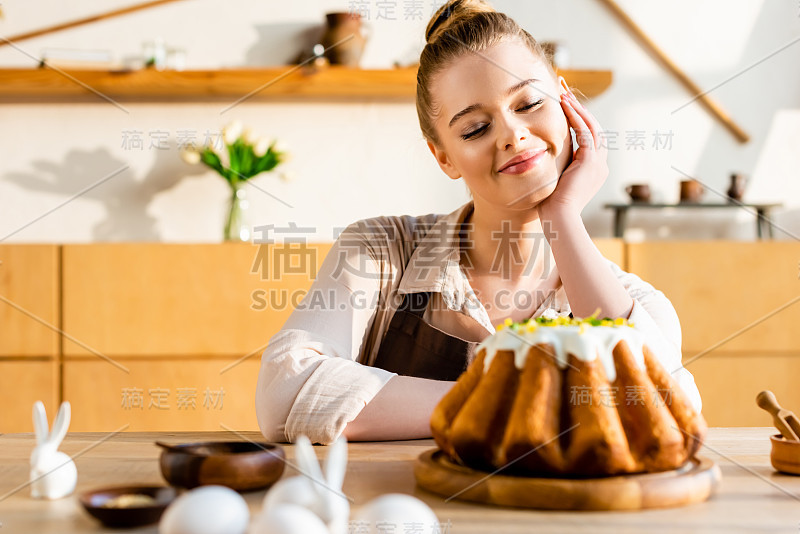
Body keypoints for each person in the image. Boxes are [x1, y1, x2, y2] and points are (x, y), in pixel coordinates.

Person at [256, 0, 702, 445]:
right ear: (444, 156)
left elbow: (667, 412)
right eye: (474, 129)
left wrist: (562, 218)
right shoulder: (379, 251)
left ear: (568, 103)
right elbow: (285, 393)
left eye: (529, 102)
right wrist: (502, 399)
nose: (512, 134)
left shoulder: (634, 303)